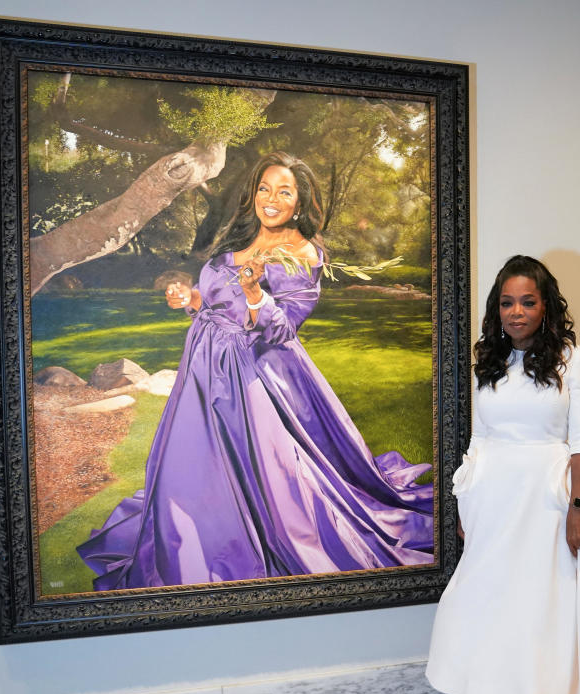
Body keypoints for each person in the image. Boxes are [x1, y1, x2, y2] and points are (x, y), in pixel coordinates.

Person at [76, 152, 434, 589]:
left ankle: (248, 544)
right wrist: (188, 298)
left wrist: (254, 293)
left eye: (284, 192)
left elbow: (283, 326)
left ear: (299, 203)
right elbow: (212, 302)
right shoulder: (238, 239)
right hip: (204, 368)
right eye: (265, 188)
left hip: (252, 377)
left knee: (269, 477)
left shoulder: (304, 252)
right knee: (193, 465)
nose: (271, 199)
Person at [425, 255, 580, 694]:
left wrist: (578, 507)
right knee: (494, 603)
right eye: (507, 302)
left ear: (546, 305)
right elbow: (480, 437)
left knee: (556, 606)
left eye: (527, 301)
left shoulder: (574, 360)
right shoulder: (487, 359)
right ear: (497, 309)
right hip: (494, 498)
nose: (516, 312)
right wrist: (467, 501)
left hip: (549, 501)